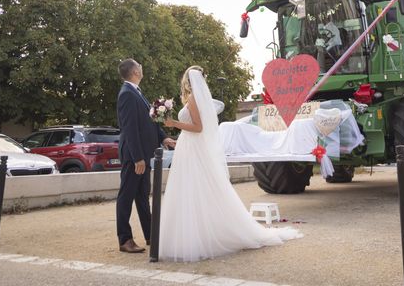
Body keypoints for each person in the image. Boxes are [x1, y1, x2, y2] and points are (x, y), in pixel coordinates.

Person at [159, 66, 302, 262]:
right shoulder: (199, 99)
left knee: (193, 189)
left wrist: (173, 123)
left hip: (192, 148)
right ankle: (201, 233)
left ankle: (200, 236)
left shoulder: (193, 99)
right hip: (189, 147)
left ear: (188, 81)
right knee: (193, 189)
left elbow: (198, 128)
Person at [116, 58, 176, 253]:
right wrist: (137, 158)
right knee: (126, 196)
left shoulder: (137, 93)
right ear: (134, 72)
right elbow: (130, 128)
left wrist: (164, 138)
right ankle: (125, 240)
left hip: (143, 155)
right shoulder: (127, 95)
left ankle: (152, 236)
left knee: (142, 196)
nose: (142, 68)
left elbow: (149, 122)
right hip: (134, 157)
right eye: (139, 66)